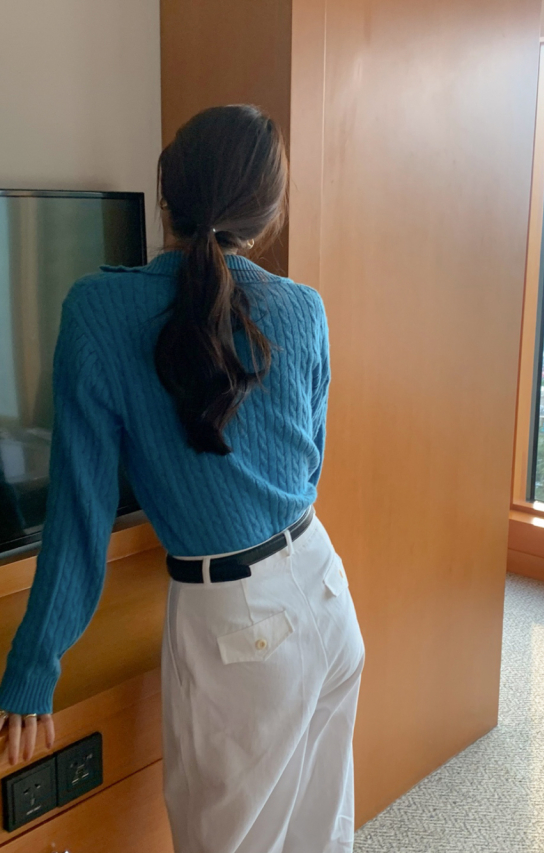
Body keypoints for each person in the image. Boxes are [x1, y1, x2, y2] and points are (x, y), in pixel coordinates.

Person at [0, 105, 365, 853]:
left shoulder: (97, 313)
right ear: (267, 216)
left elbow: (78, 517)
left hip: (239, 630)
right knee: (320, 836)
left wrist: (33, 667)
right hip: (324, 591)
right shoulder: (303, 309)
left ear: (164, 193)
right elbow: (308, 466)